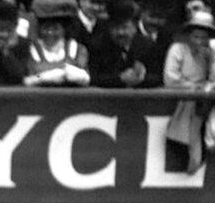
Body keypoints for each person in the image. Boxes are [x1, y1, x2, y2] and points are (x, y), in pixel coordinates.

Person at [163, 10, 215, 172]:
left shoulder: (208, 53)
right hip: (182, 101)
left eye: (204, 37)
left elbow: (211, 78)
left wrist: (206, 87)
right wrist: (194, 88)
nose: (200, 41)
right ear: (188, 34)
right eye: (196, 36)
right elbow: (170, 79)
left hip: (203, 102)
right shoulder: (177, 49)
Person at [87, 0, 159, 88]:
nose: (120, 32)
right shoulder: (98, 46)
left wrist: (142, 78)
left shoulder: (147, 46)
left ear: (135, 27)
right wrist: (119, 78)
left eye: (125, 27)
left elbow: (158, 77)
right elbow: (93, 78)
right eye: (115, 28)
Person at [23, 0, 90, 86]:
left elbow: (87, 79)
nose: (50, 33)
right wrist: (42, 77)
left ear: (64, 30)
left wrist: (76, 74)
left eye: (55, 28)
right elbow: (26, 80)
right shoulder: (30, 49)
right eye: (46, 28)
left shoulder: (77, 49)